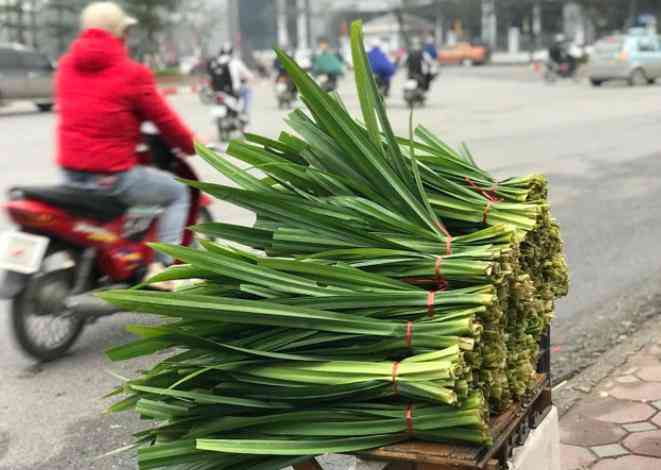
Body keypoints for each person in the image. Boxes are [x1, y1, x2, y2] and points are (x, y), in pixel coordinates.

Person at [55, 1, 196, 281]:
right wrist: (193, 145)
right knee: (178, 193)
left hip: (70, 174)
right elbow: (165, 121)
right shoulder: (132, 74)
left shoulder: (66, 67)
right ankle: (163, 268)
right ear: (121, 34)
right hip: (112, 177)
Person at [207, 43, 255, 119]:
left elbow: (210, 76)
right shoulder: (235, 61)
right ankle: (245, 112)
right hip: (233, 89)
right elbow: (247, 74)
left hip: (217, 90)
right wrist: (252, 78)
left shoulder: (215, 61)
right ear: (232, 52)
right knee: (248, 91)